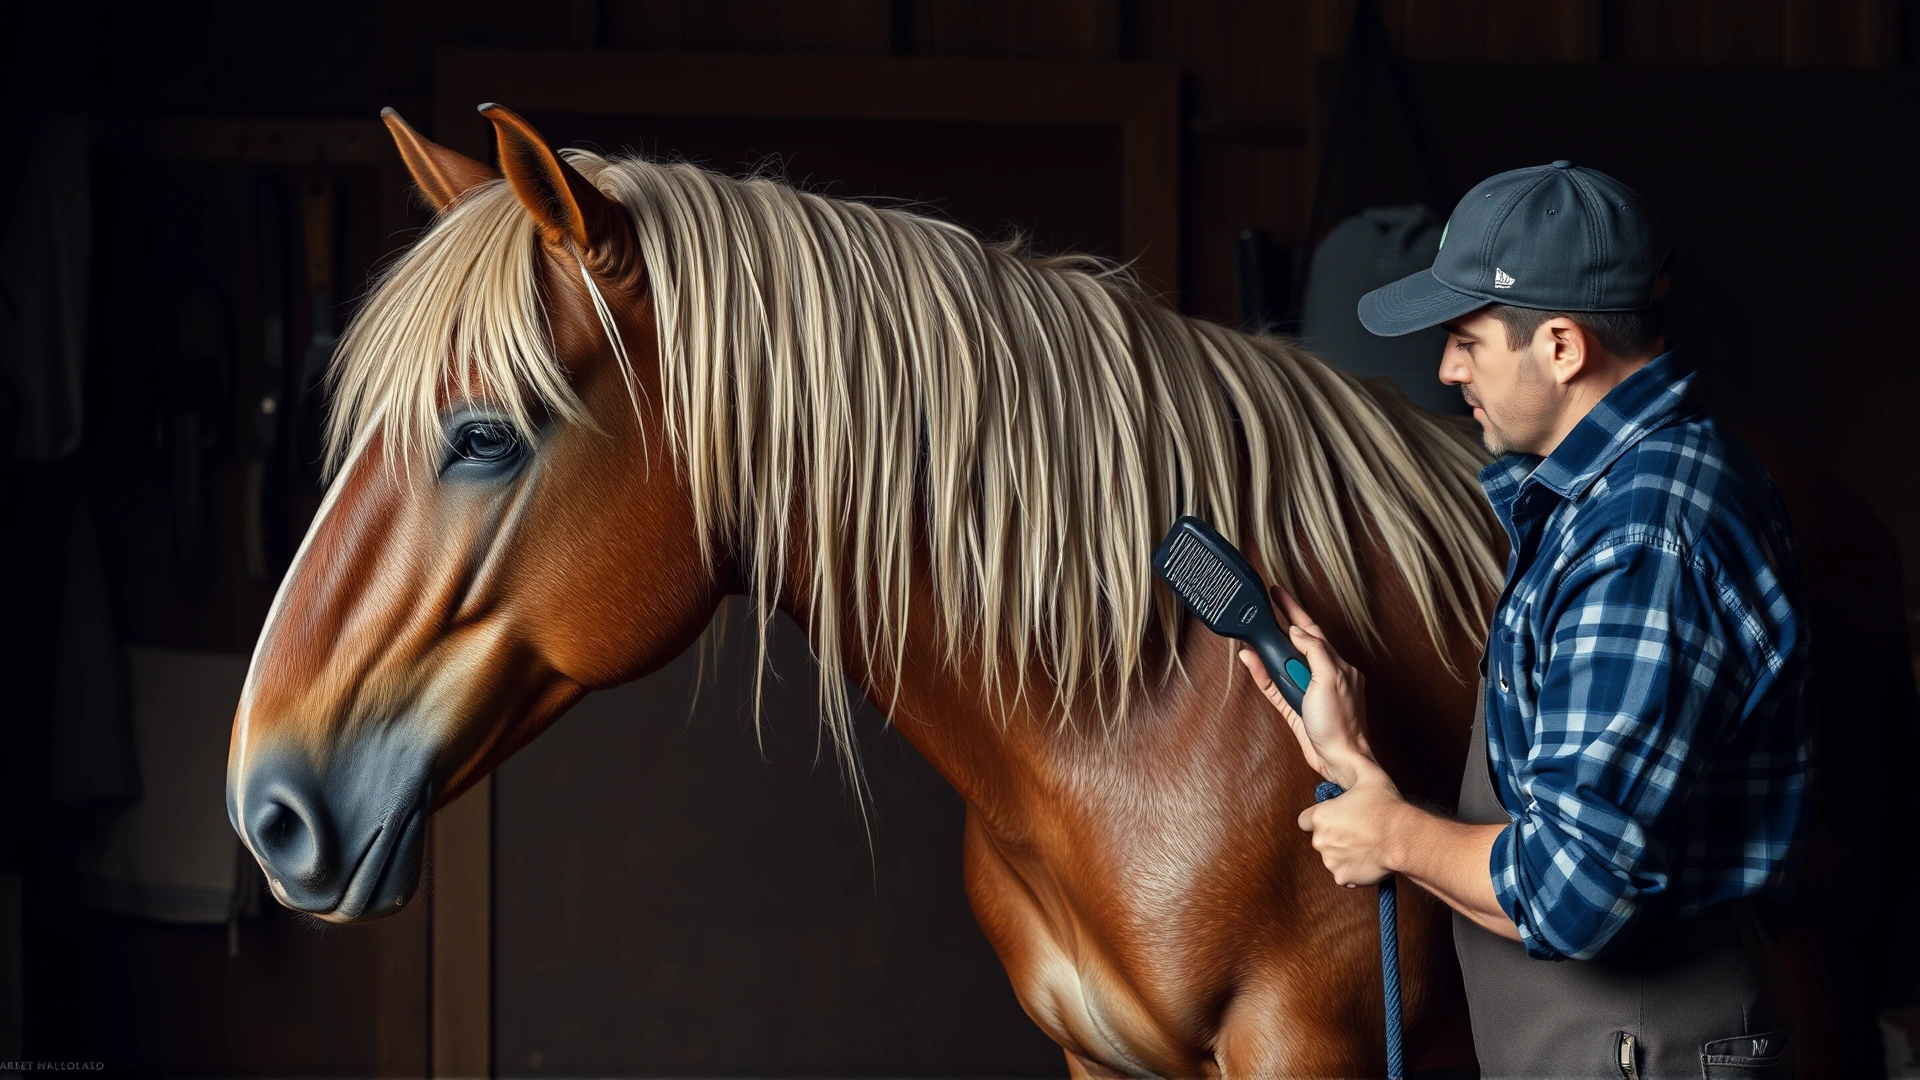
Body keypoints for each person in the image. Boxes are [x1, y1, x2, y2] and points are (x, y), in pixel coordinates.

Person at [1240, 161, 1811, 1079]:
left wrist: (1391, 836)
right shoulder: (1598, 498)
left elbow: (1574, 889)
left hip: (1640, 1048)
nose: (1444, 368)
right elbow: (1557, 821)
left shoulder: (1645, 538)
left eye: (1466, 340)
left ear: (1560, 345)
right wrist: (1363, 777)